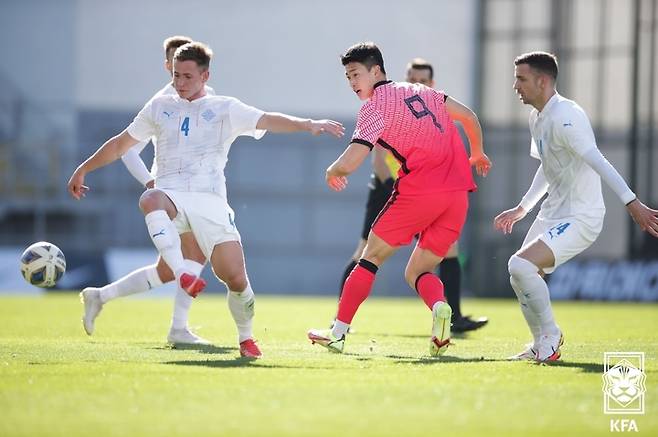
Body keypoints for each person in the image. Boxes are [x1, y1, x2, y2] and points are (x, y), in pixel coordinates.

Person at [68, 42, 344, 358]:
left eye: (187, 76)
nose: (179, 82)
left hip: (210, 202)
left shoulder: (224, 108)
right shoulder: (159, 106)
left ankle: (246, 338)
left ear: (205, 75)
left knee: (236, 278)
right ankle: (182, 286)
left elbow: (267, 119)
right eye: (176, 75)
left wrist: (309, 124)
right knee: (150, 198)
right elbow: (121, 144)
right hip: (171, 194)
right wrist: (83, 168)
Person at [308, 42, 491, 356]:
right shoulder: (423, 92)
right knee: (416, 272)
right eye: (348, 77)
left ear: (376, 70)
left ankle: (338, 333)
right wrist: (477, 153)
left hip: (420, 192)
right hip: (458, 195)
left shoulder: (374, 106)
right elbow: (469, 117)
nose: (352, 83)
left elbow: (352, 161)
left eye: (356, 74)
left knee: (369, 257)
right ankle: (440, 309)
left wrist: (332, 170)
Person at [494, 51, 658, 362]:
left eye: (521, 78)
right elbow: (547, 165)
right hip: (552, 213)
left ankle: (551, 336)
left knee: (521, 265)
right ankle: (540, 342)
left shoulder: (566, 116)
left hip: (582, 217)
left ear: (542, 81)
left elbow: (598, 160)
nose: (515, 85)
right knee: (520, 273)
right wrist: (523, 208)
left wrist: (632, 202)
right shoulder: (537, 117)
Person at [79, 36, 215, 346]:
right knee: (193, 255)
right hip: (175, 194)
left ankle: (100, 295)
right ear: (167, 65)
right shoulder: (162, 103)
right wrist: (150, 183)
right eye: (172, 64)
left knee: (166, 270)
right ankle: (179, 329)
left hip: (197, 190)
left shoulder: (202, 98)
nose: (175, 71)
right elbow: (127, 149)